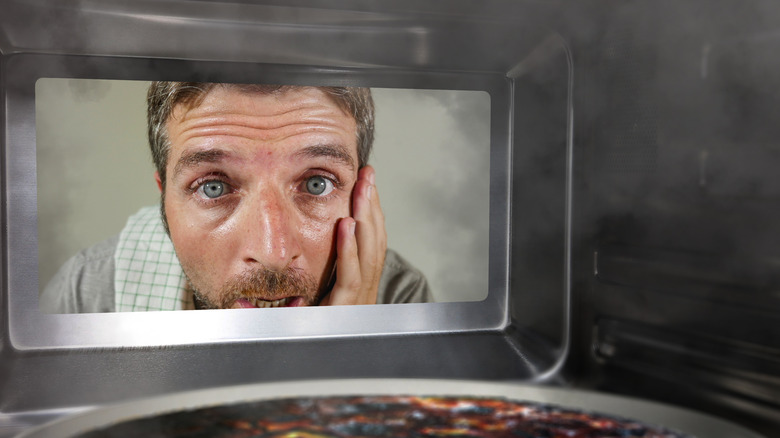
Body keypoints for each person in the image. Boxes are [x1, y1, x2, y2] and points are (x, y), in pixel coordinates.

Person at [41, 82, 431, 312]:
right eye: (214, 187)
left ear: (362, 196)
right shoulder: (88, 296)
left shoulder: (399, 299)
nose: (273, 251)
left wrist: (349, 350)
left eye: (317, 184)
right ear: (164, 200)